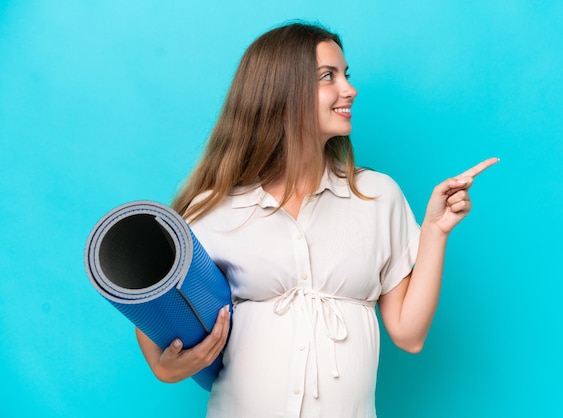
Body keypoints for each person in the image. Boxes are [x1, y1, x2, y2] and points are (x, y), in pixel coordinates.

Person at [135, 21, 498, 417]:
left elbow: (409, 334)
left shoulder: (378, 196)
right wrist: (164, 366)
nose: (350, 89)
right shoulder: (216, 207)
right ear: (282, 98)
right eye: (328, 77)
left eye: (345, 74)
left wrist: (434, 231)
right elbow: (159, 305)